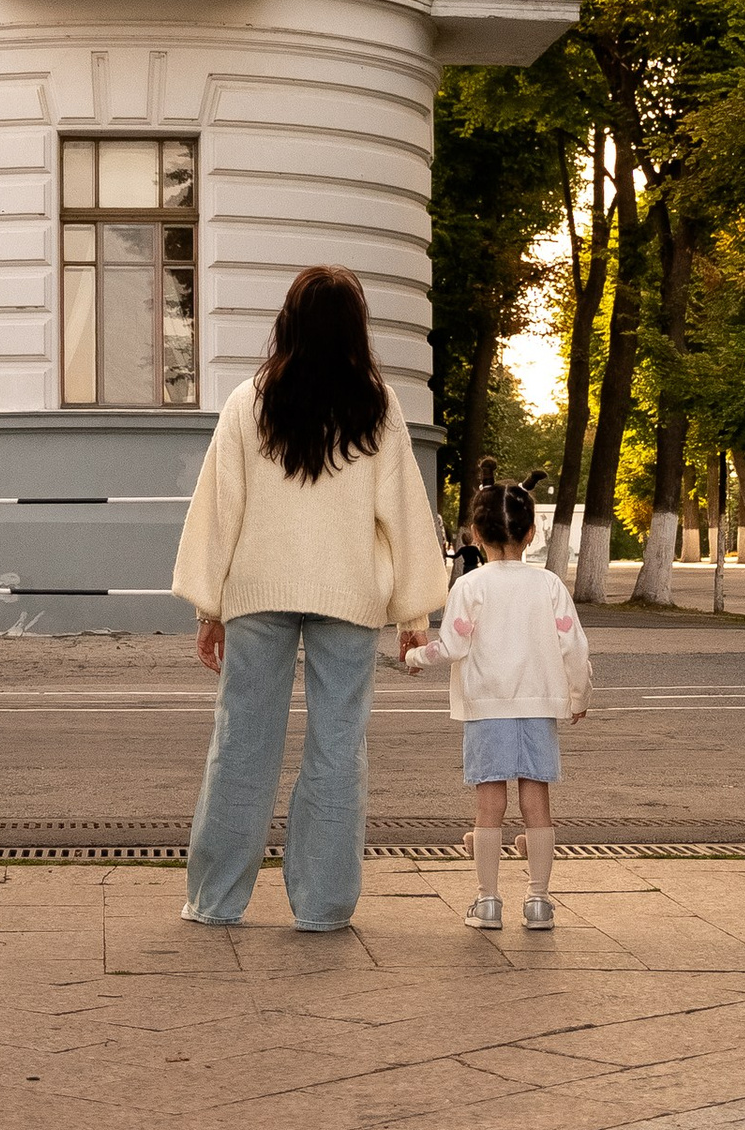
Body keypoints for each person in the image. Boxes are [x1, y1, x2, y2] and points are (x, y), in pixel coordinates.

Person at [173, 266, 444, 931]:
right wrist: (414, 614)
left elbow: (220, 511)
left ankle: (215, 900)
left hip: (256, 594)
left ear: (287, 321)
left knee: (240, 741)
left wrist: (209, 608)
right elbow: (405, 514)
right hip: (349, 598)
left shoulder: (249, 401)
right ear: (357, 327)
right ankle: (323, 906)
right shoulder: (376, 407)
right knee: (337, 747)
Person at [405, 473, 592, 932]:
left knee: (489, 807)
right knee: (537, 806)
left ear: (474, 535)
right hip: (538, 706)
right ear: (530, 534)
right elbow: (574, 645)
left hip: (486, 708)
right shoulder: (548, 585)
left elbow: (451, 646)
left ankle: (487, 902)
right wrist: (577, 694)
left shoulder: (469, 588)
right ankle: (539, 902)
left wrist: (413, 654)